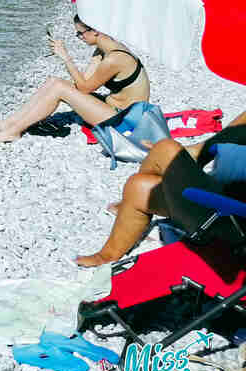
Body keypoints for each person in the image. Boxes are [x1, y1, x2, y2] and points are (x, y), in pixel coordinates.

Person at [75, 110, 246, 267]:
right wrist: (188, 157)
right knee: (139, 188)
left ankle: (125, 207)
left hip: (230, 221)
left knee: (166, 149)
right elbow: (218, 142)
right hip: (218, 200)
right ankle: (107, 255)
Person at [0, 15, 150, 143]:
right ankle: (10, 122)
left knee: (59, 88)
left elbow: (84, 89)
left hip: (124, 120)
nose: (80, 37)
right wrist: (85, 61)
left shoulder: (114, 59)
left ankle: (15, 131)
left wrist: (66, 58)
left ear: (95, 31)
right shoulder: (104, 49)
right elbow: (83, 81)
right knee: (54, 82)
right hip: (113, 107)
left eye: (80, 33)